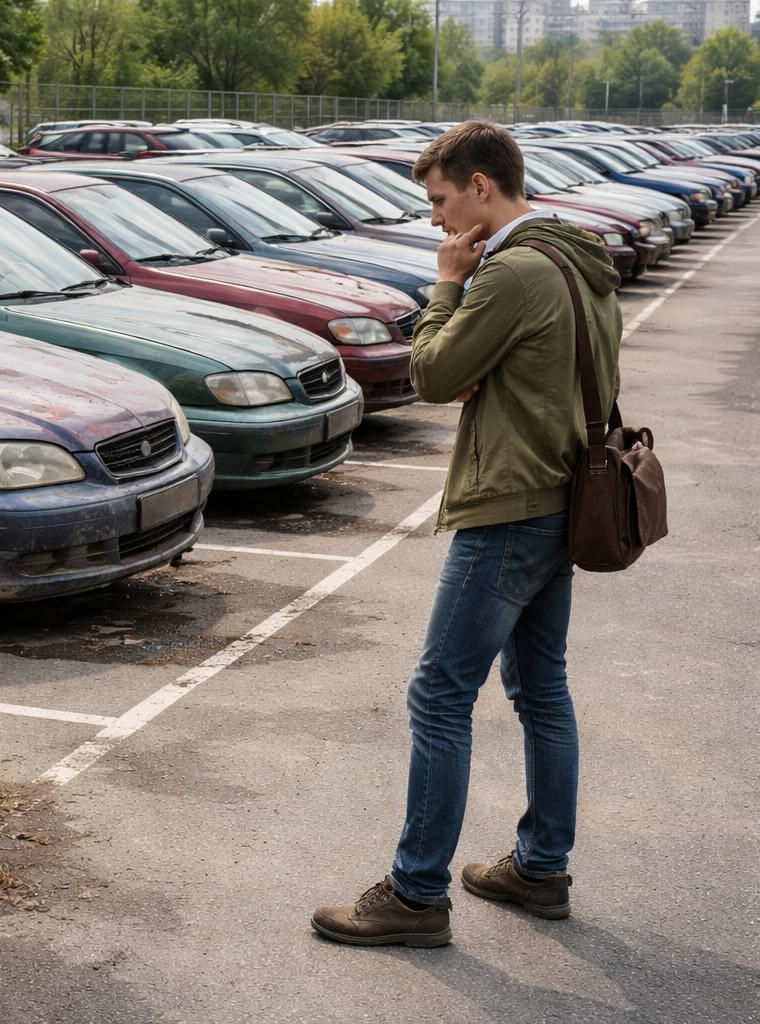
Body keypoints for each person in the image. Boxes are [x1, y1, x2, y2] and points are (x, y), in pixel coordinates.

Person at [311, 121, 623, 947]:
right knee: (541, 689)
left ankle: (414, 897)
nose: (438, 222)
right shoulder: (576, 257)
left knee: (441, 696)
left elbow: (434, 374)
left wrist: (447, 285)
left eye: (442, 202)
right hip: (560, 499)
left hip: (509, 509)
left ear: (482, 187)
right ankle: (541, 868)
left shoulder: (511, 272)